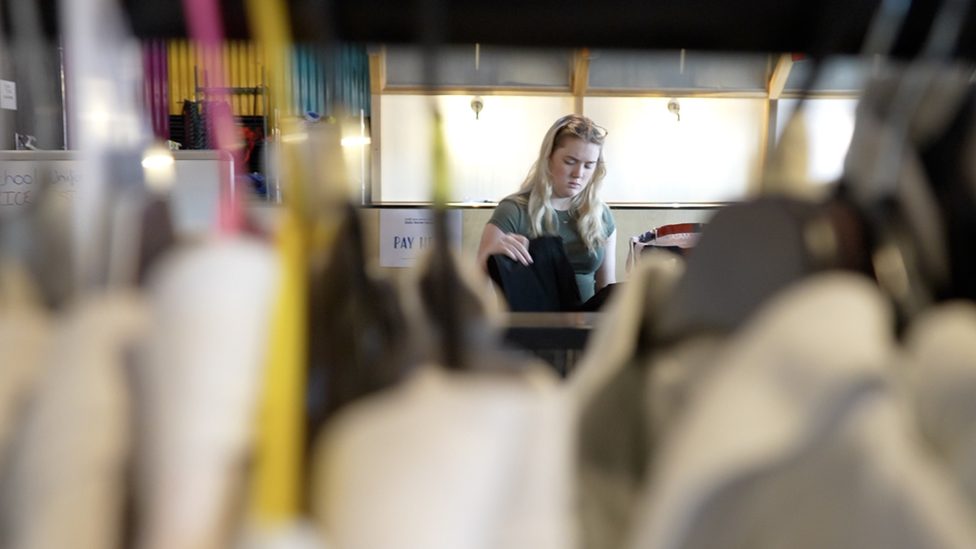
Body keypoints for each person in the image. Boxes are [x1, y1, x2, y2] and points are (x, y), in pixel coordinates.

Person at [477, 114, 617, 303]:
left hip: (588, 328)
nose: (578, 174)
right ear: (549, 157)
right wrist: (489, 257)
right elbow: (476, 286)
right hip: (532, 328)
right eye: (569, 162)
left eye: (589, 165)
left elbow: (605, 288)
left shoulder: (601, 214)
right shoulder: (514, 211)